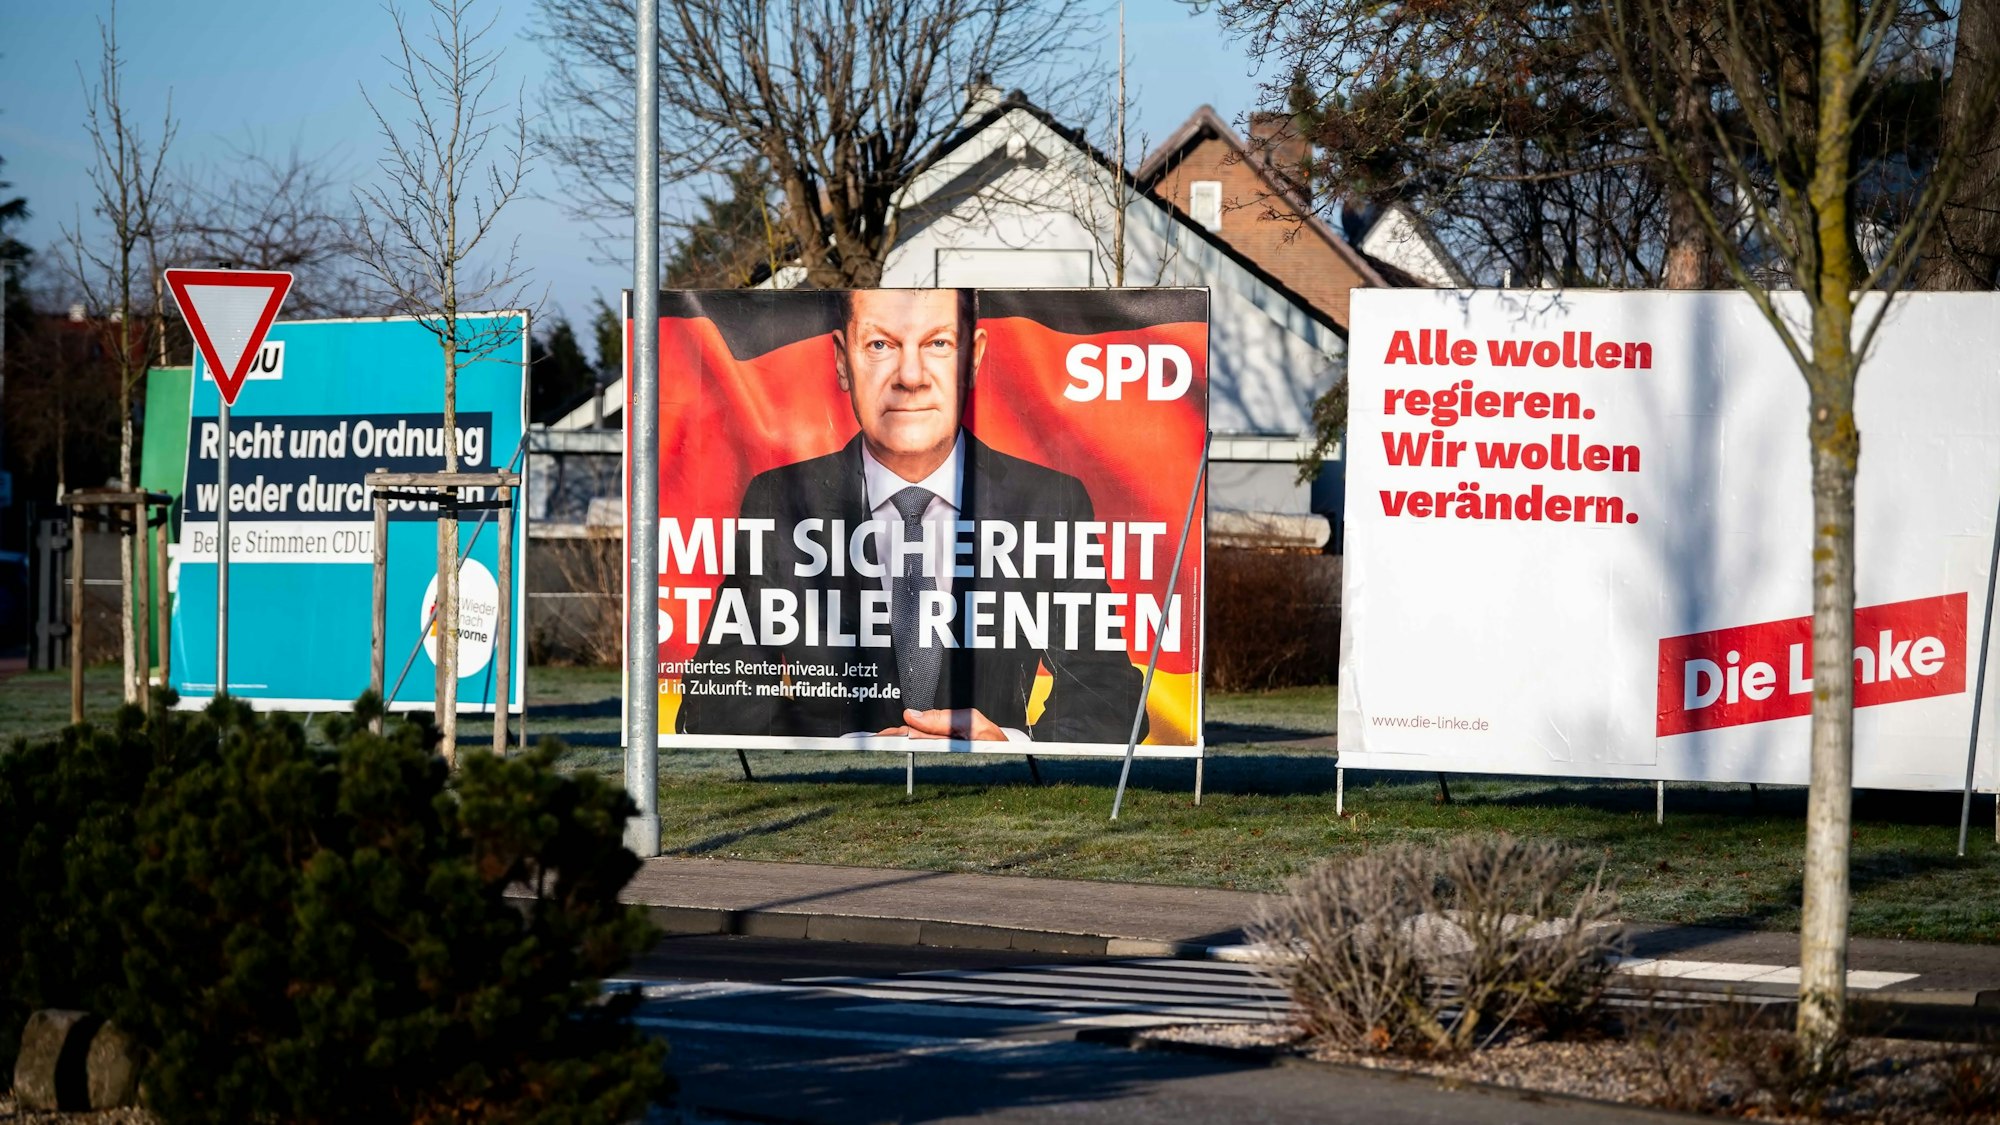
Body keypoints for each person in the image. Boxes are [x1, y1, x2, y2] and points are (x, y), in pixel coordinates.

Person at [675, 287, 1147, 744]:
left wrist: (1007, 744)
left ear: (973, 358)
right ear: (843, 360)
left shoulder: (1045, 503)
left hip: (987, 804)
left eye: (938, 343)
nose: (911, 376)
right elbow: (713, 704)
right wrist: (849, 747)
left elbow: (1114, 699)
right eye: (880, 344)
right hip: (840, 811)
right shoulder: (783, 500)